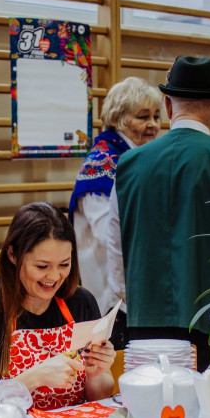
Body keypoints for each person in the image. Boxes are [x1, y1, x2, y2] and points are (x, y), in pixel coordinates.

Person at [106, 56, 210, 370]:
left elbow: (116, 257)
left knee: (150, 412)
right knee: (209, 412)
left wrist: (140, 302)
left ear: (168, 106)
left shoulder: (127, 165)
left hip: (143, 324)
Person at [0, 202, 115, 410]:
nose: (54, 276)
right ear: (13, 255)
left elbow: (100, 396)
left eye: (64, 265)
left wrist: (96, 373)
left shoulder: (82, 303)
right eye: (42, 266)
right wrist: (33, 378)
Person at [69, 77, 161, 314]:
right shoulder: (101, 165)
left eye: (156, 116)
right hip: (109, 293)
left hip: (132, 285)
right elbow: (107, 233)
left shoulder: (134, 158)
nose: (153, 124)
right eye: (143, 117)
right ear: (118, 119)